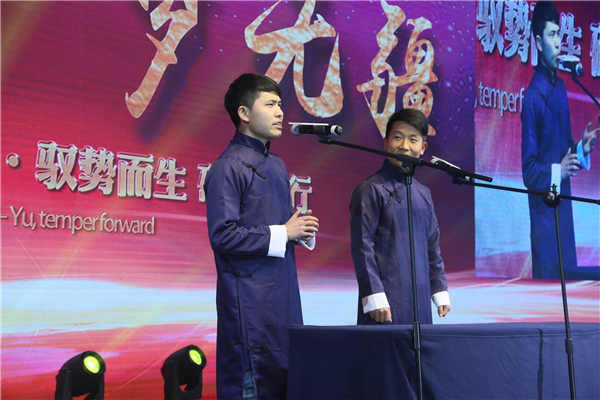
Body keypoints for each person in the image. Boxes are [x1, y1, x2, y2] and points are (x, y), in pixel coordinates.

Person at [205, 73, 319, 399]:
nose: (280, 112)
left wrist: (299, 231)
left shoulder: (277, 165)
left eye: (280, 104)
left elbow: (281, 226)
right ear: (243, 113)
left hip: (283, 293)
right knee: (254, 382)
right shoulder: (227, 167)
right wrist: (284, 232)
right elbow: (222, 235)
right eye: (270, 105)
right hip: (249, 299)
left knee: (286, 378)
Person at [349, 109, 450, 325]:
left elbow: (432, 245)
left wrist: (439, 287)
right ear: (386, 142)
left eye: (413, 140)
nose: (404, 145)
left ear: (423, 147)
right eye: (397, 137)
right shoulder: (370, 189)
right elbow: (362, 246)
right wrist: (374, 295)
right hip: (385, 301)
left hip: (420, 298)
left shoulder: (424, 193)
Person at [521, 1, 597, 279]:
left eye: (559, 35)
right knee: (550, 291)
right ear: (538, 43)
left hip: (563, 208)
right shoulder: (532, 97)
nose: (558, 43)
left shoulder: (562, 88)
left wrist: (581, 149)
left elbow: (564, 149)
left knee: (570, 280)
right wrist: (559, 172)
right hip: (544, 213)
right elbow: (529, 172)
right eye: (551, 35)